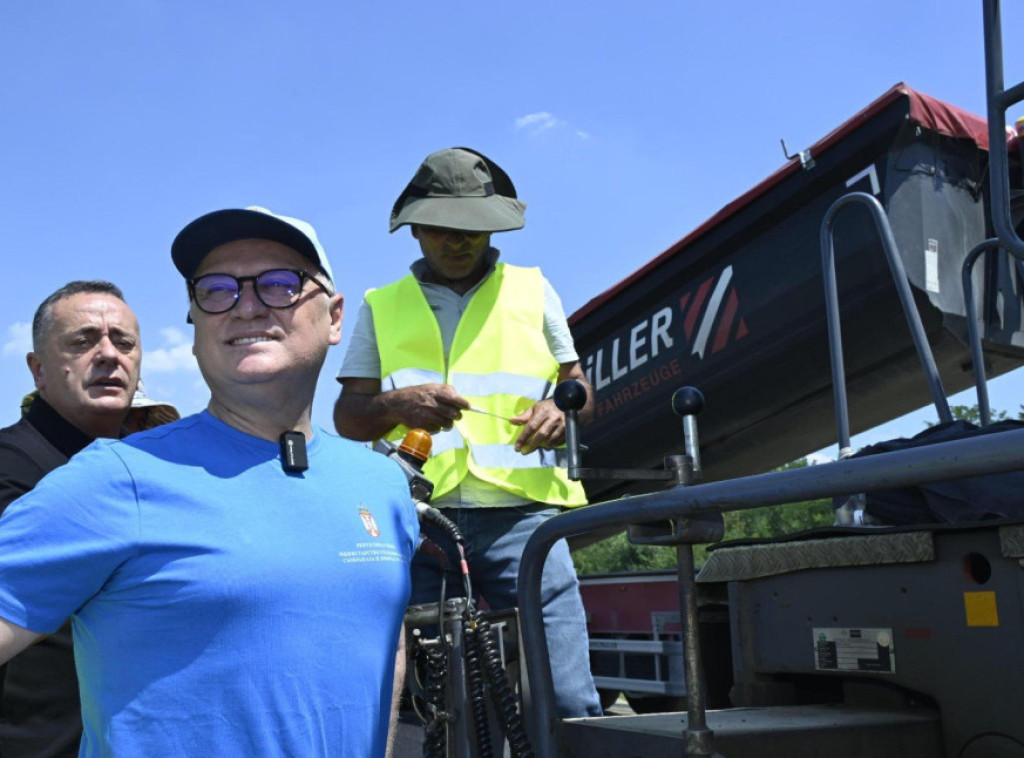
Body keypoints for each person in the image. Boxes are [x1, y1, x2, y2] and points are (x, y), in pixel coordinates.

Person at [0, 207, 419, 757]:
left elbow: (383, 645)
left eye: (279, 284)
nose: (246, 305)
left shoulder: (382, 485)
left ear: (335, 317)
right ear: (195, 326)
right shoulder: (115, 478)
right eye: (217, 290)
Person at [334, 147, 603, 718]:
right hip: (418, 524)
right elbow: (348, 417)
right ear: (414, 230)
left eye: (471, 230)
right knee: (425, 708)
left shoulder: (534, 289)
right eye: (440, 230)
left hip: (524, 520)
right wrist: (395, 403)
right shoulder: (380, 306)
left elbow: (577, 388)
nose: (457, 243)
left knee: (568, 697)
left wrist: (560, 409)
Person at [0, 280, 141, 758]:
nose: (108, 354)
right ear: (38, 369)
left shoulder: (146, 474)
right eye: (83, 341)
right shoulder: (9, 468)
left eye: (123, 342)